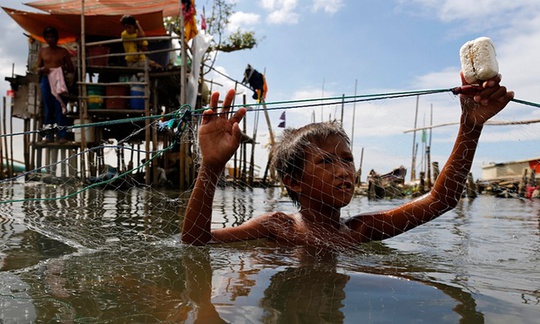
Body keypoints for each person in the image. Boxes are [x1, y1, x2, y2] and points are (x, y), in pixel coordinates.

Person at [181, 72, 514, 248]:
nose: (343, 171)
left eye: (347, 159)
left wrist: (469, 126)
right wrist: (210, 167)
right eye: (326, 163)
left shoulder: (360, 230)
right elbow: (198, 242)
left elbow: (441, 199)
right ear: (293, 181)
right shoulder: (278, 227)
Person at [37, 26, 75, 144]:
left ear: (56, 38)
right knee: (48, 108)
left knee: (60, 107)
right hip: (46, 80)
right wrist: (43, 69)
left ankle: (62, 136)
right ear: (45, 38)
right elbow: (38, 68)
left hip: (59, 80)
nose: (50, 39)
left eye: (52, 37)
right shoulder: (43, 51)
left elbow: (71, 68)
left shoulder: (63, 51)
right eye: (48, 37)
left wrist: (61, 68)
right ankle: (48, 136)